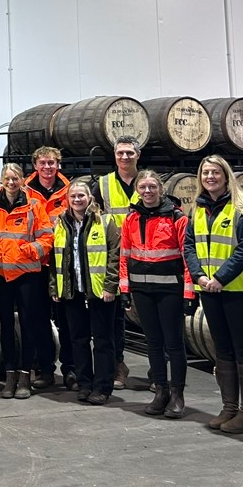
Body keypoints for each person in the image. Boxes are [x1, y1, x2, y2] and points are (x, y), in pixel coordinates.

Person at [183, 155, 243, 434]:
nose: (210, 177)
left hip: (238, 289)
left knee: (242, 348)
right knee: (222, 349)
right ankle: (229, 408)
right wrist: (200, 277)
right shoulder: (198, 209)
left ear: (226, 175)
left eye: (215, 172)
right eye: (205, 172)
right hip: (209, 289)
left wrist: (219, 278)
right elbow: (189, 246)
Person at [119, 170, 191, 419]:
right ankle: (160, 392)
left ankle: (177, 394)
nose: (147, 192)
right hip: (142, 290)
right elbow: (125, 256)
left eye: (152, 187)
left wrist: (189, 293)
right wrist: (125, 289)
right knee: (153, 342)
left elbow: (187, 257)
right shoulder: (131, 218)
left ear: (160, 189)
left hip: (170, 289)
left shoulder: (177, 217)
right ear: (137, 190)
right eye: (143, 188)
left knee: (174, 343)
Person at [49, 177, 120, 404]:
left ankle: (102, 386)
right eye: (73, 196)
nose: (77, 199)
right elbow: (54, 259)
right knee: (77, 340)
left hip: (101, 293)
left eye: (81, 196)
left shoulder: (105, 221)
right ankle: (84, 383)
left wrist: (111, 286)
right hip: (72, 291)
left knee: (102, 341)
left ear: (89, 198)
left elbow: (115, 256)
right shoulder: (61, 223)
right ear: (68, 200)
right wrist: (55, 287)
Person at [0, 163, 53, 399]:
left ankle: (25, 375)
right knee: (4, 324)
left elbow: (47, 237)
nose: (11, 182)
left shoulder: (34, 205)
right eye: (7, 179)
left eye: (15, 178)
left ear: (23, 180)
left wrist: (28, 252)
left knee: (28, 324)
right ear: (1, 181)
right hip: (1, 274)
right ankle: (9, 374)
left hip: (27, 274)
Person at [92, 137, 141, 390]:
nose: (125, 157)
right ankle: (118, 365)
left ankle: (158, 369)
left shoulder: (148, 182)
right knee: (115, 318)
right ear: (114, 155)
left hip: (145, 258)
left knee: (150, 316)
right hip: (114, 259)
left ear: (137, 155)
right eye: (120, 153)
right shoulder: (102, 184)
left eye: (129, 153)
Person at [25, 146, 73, 389]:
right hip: (35, 265)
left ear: (58, 165)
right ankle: (45, 369)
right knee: (39, 320)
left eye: (52, 163)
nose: (47, 167)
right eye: (42, 163)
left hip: (65, 265)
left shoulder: (70, 191)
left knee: (69, 319)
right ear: (35, 165)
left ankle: (71, 369)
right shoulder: (23, 190)